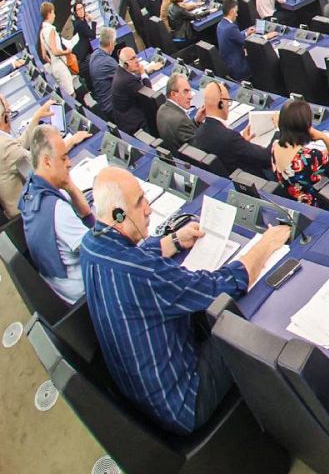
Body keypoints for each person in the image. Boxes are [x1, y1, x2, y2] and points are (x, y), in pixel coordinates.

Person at [79, 164, 291, 434]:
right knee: (249, 327)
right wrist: (266, 244)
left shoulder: (91, 243)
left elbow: (137, 255)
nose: (148, 210)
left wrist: (174, 241)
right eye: (139, 203)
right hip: (184, 401)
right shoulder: (144, 274)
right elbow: (221, 285)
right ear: (118, 215)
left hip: (138, 389)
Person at [18, 124, 94, 300]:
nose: (69, 163)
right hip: (84, 295)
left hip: (59, 288)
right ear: (46, 161)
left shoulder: (31, 189)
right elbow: (101, 251)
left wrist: (70, 187)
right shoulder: (58, 211)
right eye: (64, 158)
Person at [269, 99, 329, 205]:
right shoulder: (309, 156)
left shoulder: (275, 145)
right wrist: (324, 137)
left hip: (293, 203)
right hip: (313, 207)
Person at [191, 82, 273, 180]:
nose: (229, 106)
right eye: (228, 101)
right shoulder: (229, 137)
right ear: (221, 104)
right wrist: (278, 133)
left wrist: (242, 143)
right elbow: (267, 158)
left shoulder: (198, 132)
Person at [0, 99, 63, 218]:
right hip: (26, 213)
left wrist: (36, 118)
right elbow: (41, 161)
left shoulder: (3, 141)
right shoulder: (3, 146)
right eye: (8, 111)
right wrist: (70, 141)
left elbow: (18, 144)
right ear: (5, 117)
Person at [110, 47, 150, 135]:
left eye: (135, 57)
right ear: (125, 64)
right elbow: (149, 94)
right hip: (134, 126)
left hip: (124, 118)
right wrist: (143, 73)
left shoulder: (121, 72)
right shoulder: (127, 80)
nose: (137, 61)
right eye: (132, 59)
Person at [155, 73, 198, 153]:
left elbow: (182, 134)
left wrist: (196, 121)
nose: (190, 96)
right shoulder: (181, 120)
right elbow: (198, 149)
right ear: (173, 94)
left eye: (190, 91)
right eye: (185, 91)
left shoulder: (161, 109)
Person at [38, 1, 75, 95]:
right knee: (71, 95)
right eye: (53, 13)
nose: (54, 15)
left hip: (55, 67)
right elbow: (55, 51)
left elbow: (44, 55)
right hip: (60, 67)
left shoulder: (42, 32)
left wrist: (52, 63)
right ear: (49, 13)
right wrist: (66, 52)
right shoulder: (51, 30)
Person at [214, 0, 252, 81]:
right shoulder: (231, 27)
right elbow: (244, 42)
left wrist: (246, 33)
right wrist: (265, 37)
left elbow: (236, 37)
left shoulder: (220, 25)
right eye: (236, 12)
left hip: (228, 65)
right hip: (239, 67)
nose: (237, 14)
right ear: (231, 12)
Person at [88, 25, 121, 108]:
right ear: (110, 43)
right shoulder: (109, 62)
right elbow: (127, 77)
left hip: (102, 102)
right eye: (114, 42)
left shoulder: (93, 55)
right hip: (113, 106)